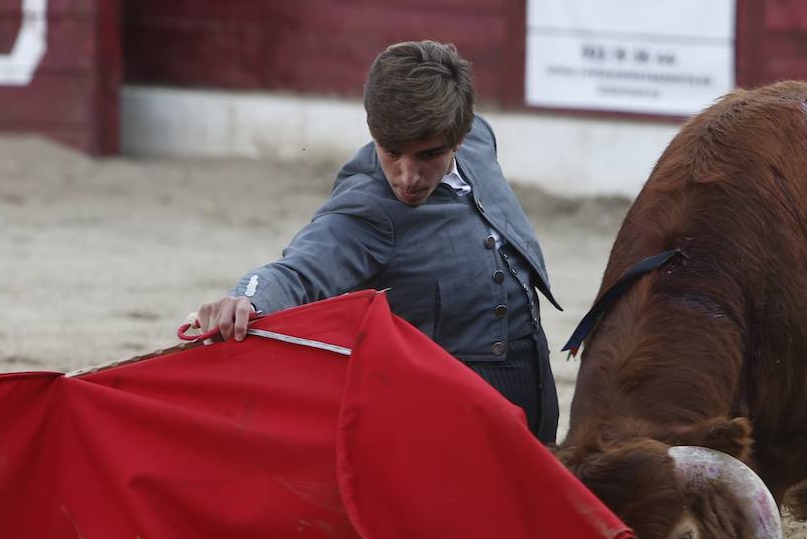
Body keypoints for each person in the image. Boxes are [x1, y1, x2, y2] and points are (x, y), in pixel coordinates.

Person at [194, 40, 561, 442]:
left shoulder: (479, 140)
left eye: (428, 155)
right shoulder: (368, 207)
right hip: (450, 411)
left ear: (460, 135)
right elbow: (300, 271)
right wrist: (247, 298)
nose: (407, 177)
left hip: (535, 378)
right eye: (392, 152)